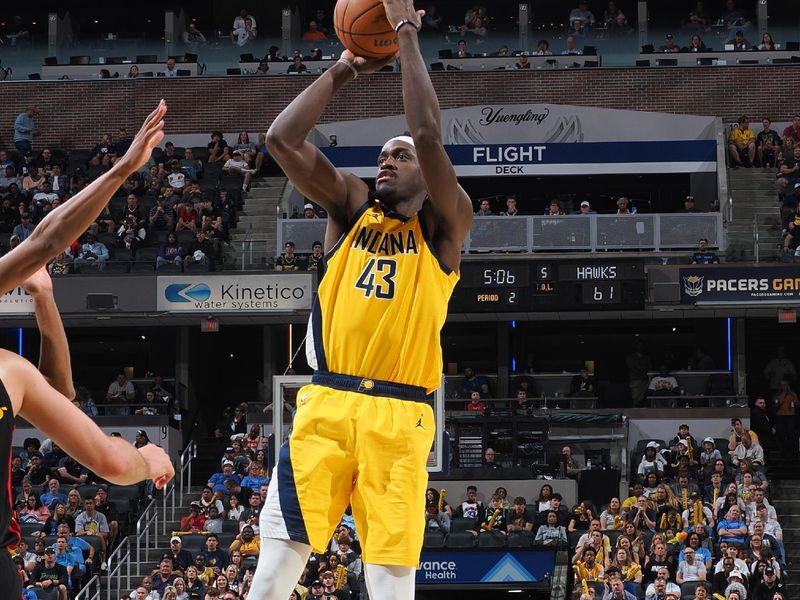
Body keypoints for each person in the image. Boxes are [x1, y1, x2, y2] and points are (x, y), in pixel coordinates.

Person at [247, 3, 473, 600]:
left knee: (390, 581)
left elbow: (426, 135)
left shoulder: (446, 226)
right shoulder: (349, 208)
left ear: (428, 174)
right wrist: (344, 66)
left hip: (400, 416)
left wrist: (406, 36)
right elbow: (280, 139)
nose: (386, 162)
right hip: (325, 403)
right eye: (382, 157)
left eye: (397, 157)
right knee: (272, 573)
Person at [0, 102, 175, 597]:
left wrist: (46, 300)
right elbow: (46, 239)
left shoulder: (13, 371)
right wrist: (149, 459)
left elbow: (59, 394)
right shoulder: (8, 371)